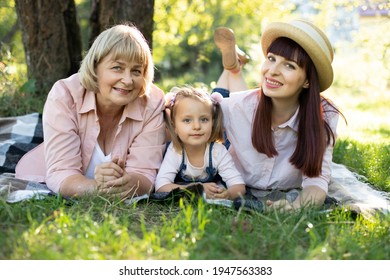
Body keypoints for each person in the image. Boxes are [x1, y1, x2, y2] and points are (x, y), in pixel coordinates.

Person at [15, 24, 166, 200]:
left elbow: (145, 174)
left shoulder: (152, 102)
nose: (127, 80)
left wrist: (130, 184)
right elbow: (62, 173)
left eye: (136, 71)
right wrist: (98, 189)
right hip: (51, 176)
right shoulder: (65, 95)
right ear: (95, 67)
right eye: (117, 67)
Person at [212, 20, 344, 211]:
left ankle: (234, 68)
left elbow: (317, 180)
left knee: (242, 101)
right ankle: (232, 69)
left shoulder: (324, 116)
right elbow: (187, 120)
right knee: (220, 100)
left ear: (307, 81)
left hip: (244, 106)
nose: (272, 71)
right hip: (228, 135)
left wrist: (297, 206)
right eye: (271, 58)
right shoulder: (236, 106)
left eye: (289, 65)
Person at [155, 86, 245, 200]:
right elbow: (161, 186)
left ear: (212, 122)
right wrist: (196, 190)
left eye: (204, 119)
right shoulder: (175, 151)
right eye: (187, 120)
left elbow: (239, 185)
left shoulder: (218, 152)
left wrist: (227, 194)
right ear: (174, 126)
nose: (197, 126)